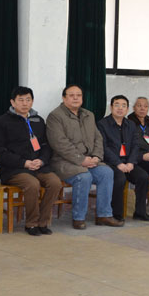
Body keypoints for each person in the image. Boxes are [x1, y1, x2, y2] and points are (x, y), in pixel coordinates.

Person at [47, 85, 123, 229]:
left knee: (106, 172)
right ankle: (78, 218)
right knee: (84, 177)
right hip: (64, 162)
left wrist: (96, 157)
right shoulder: (55, 116)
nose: (75, 98)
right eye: (71, 95)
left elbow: (98, 138)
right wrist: (81, 160)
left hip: (90, 160)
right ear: (64, 98)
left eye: (79, 95)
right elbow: (59, 143)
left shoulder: (89, 115)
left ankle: (104, 215)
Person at [0, 86, 63, 236]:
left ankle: (43, 222)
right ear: (13, 102)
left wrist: (41, 161)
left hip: (38, 167)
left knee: (55, 183)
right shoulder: (1, 122)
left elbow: (46, 145)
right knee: (32, 184)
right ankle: (31, 224)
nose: (25, 103)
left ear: (32, 101)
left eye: (28, 99)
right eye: (21, 100)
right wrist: (24, 163)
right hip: (14, 169)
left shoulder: (38, 120)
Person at [97, 95, 149, 222]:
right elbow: (104, 147)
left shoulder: (131, 124)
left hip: (128, 162)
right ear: (111, 107)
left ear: (127, 109)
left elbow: (135, 145)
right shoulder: (102, 124)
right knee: (120, 178)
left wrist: (131, 162)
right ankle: (117, 214)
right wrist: (118, 163)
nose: (120, 108)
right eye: (117, 105)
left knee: (143, 177)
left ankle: (140, 212)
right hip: (111, 163)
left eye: (123, 106)